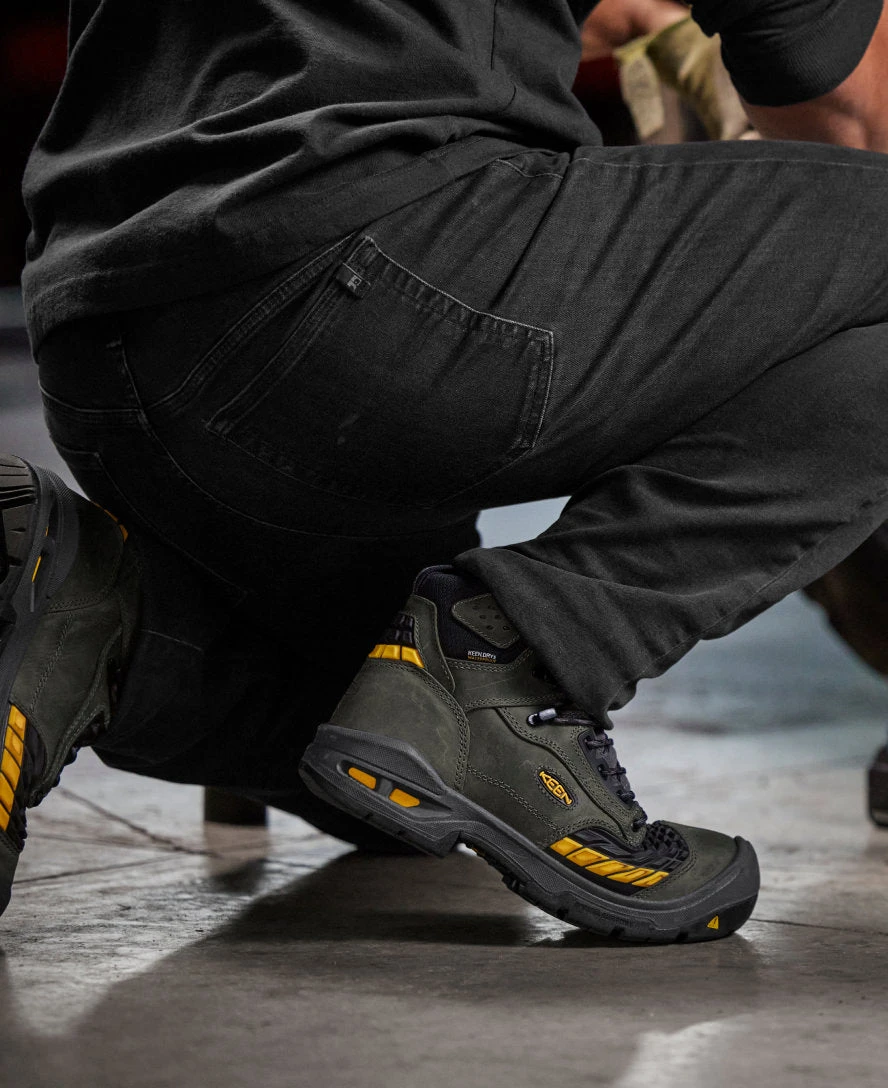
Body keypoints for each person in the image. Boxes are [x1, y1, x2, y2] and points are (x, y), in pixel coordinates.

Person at [3, 0, 888, 941]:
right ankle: (510, 660)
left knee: (383, 755)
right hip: (369, 281)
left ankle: (102, 621)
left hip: (105, 324)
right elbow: (849, 113)